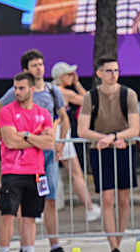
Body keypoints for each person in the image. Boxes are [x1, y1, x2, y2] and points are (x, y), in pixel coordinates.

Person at [0, 49, 72, 252]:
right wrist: (7, 132)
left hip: (45, 156)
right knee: (17, 206)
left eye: (41, 64)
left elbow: (62, 117)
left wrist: (59, 142)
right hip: (20, 159)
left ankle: (54, 246)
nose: (39, 68)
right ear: (26, 71)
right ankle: (21, 249)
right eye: (34, 65)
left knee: (50, 198)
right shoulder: (17, 92)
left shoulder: (51, 90)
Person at [77, 55, 140, 252]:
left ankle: (118, 243)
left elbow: (134, 128)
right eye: (109, 71)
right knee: (107, 198)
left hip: (123, 148)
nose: (113, 75)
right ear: (99, 74)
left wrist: (115, 138)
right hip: (101, 150)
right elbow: (82, 130)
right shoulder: (91, 96)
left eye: (116, 70)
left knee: (123, 198)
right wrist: (104, 139)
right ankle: (113, 246)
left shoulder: (127, 94)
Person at [0, 72, 55, 252]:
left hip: (36, 171)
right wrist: (36, 138)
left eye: (21, 88)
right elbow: (10, 141)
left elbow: (49, 143)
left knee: (30, 216)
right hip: (13, 170)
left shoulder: (43, 113)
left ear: (31, 89)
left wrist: (28, 135)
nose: (17, 92)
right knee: (8, 214)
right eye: (15, 88)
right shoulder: (6, 112)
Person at [51, 61, 101, 222]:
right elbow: (88, 100)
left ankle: (40, 211)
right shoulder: (64, 92)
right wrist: (78, 84)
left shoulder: (48, 90)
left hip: (49, 132)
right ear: (61, 77)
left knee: (44, 171)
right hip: (60, 133)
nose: (72, 77)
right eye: (69, 75)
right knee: (75, 173)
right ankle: (89, 208)